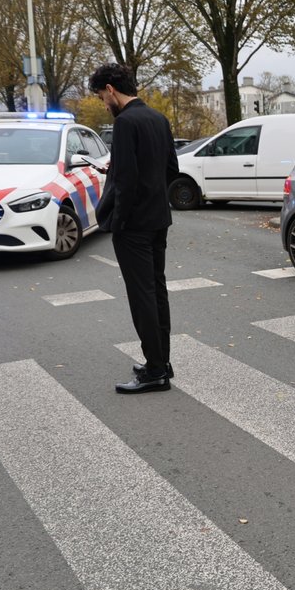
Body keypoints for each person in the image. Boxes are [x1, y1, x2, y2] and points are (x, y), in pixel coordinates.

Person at [89, 63, 179, 395]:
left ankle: (154, 371)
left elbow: (125, 181)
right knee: (157, 291)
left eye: (101, 96)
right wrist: (153, 194)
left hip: (134, 225)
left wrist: (120, 221)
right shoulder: (158, 119)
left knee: (141, 296)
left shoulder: (125, 123)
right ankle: (162, 361)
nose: (103, 103)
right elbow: (171, 168)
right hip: (158, 219)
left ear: (111, 89)